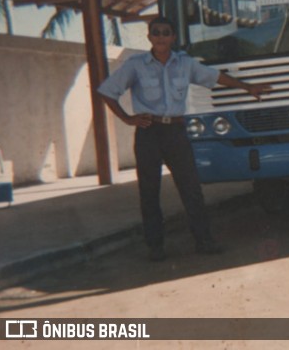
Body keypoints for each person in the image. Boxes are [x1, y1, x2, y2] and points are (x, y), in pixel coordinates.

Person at [98, 16, 269, 261]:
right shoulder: (136, 65)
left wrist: (247, 88)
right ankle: (155, 247)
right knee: (149, 191)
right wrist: (127, 118)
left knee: (191, 189)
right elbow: (107, 91)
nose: (160, 37)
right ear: (149, 37)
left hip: (176, 133)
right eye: (155, 33)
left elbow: (215, 77)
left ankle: (204, 241)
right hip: (148, 132)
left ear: (173, 37)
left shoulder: (184, 64)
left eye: (165, 33)